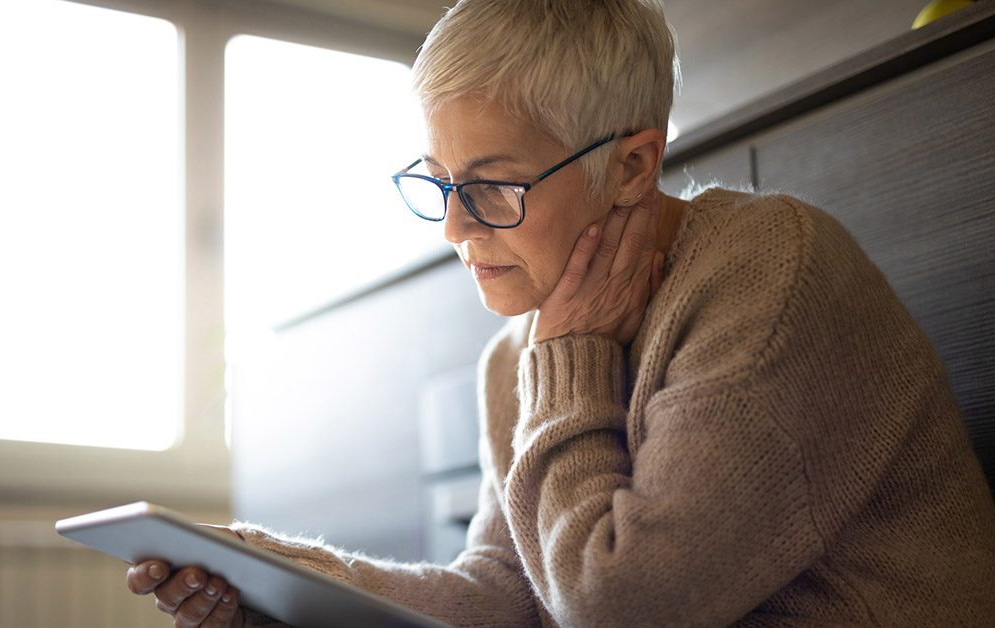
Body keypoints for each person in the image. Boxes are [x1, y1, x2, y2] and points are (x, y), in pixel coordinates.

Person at [126, 0, 995, 626]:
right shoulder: (521, 353)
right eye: (439, 182)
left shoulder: (770, 276)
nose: (458, 227)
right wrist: (275, 582)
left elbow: (620, 610)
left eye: (494, 185)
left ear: (630, 165)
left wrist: (571, 367)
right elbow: (507, 595)